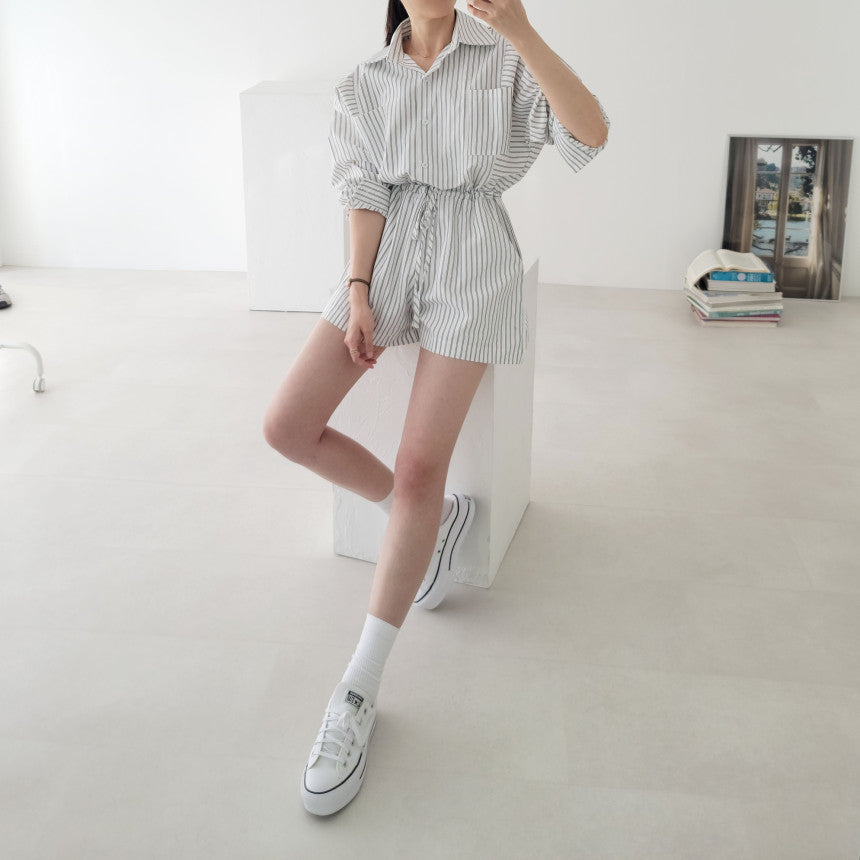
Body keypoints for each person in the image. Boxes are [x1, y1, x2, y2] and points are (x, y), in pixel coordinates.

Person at [262, 0, 609, 817]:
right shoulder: (365, 82)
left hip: (474, 260)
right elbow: (362, 188)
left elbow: (590, 136)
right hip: (385, 258)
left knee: (423, 467)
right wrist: (357, 289)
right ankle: (422, 520)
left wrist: (521, 29)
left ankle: (357, 691)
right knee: (286, 426)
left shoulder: (504, 59)